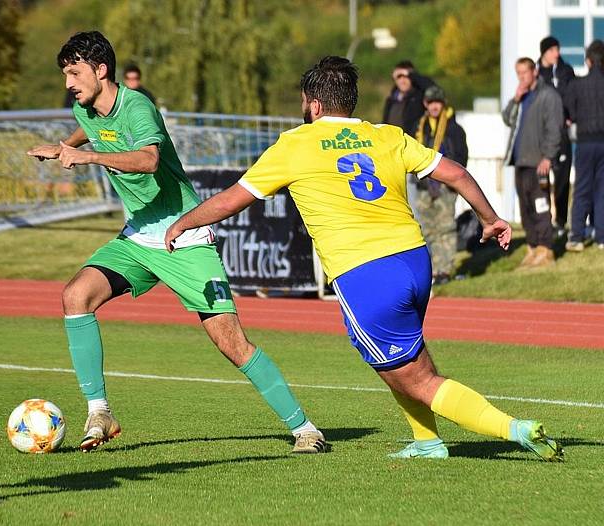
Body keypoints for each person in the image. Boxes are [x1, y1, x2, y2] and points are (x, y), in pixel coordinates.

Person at [166, 56, 563, 462]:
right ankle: (427, 441)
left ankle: (515, 429)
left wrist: (184, 223)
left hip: (366, 273)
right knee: (402, 360)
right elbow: (457, 174)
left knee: (417, 377)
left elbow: (233, 199)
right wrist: (490, 218)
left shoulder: (294, 145)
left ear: (314, 105)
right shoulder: (388, 135)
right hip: (413, 260)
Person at [27, 31, 327, 454]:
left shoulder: (137, 106)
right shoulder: (87, 109)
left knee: (231, 342)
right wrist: (63, 148)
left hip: (182, 236)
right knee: (76, 295)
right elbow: (87, 129)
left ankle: (305, 429)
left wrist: (89, 156)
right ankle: (99, 411)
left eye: (74, 73)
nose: (68, 84)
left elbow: (149, 160)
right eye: (65, 75)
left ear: (101, 70)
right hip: (137, 237)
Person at [502, 57, 564, 268]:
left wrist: (548, 156)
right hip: (521, 161)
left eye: (525, 73)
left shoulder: (548, 95)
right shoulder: (523, 97)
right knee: (525, 208)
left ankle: (546, 249)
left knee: (541, 206)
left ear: (534, 72)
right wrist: (516, 99)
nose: (521, 77)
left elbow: (555, 129)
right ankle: (532, 247)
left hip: (539, 162)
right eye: (518, 73)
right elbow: (507, 119)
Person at [414, 85, 468, 284]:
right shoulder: (420, 127)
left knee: (445, 227)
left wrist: (454, 183)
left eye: (438, 102)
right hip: (424, 186)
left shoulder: (454, 129)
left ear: (443, 104)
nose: (434, 106)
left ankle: (444, 270)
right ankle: (431, 270)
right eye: (431, 102)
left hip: (445, 186)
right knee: (427, 229)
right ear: (425, 104)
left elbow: (461, 157)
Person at [564, 40, 604, 252]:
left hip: (586, 142)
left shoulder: (576, 85)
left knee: (582, 189)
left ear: (588, 61)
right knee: (602, 190)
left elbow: (569, 113)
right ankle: (602, 238)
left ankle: (577, 236)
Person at [538, 36, 576, 235]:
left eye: (557, 49)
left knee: (562, 178)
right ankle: (544, 221)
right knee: (541, 181)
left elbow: (573, 94)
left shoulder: (565, 71)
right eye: (552, 50)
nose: (556, 54)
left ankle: (560, 222)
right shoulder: (536, 73)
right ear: (544, 52)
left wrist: (570, 115)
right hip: (541, 136)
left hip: (561, 134)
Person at [382, 60, 433, 135]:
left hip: (414, 143)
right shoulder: (391, 100)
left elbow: (433, 89)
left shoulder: (419, 96)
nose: (402, 81)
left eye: (406, 77)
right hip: (393, 143)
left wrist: (412, 74)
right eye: (399, 77)